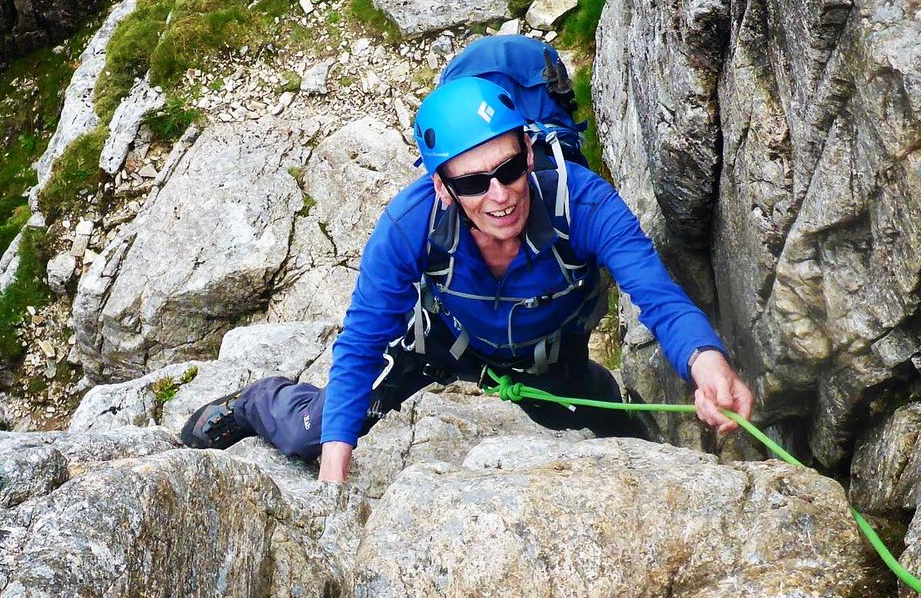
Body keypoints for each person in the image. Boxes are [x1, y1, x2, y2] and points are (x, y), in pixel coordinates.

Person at [181, 75, 754, 482]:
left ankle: (599, 392)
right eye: (474, 183)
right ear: (442, 187)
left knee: (632, 453)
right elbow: (361, 344)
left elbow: (656, 294)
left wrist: (707, 363)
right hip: (437, 350)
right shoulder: (411, 226)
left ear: (528, 152)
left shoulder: (582, 203)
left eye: (507, 170)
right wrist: (334, 478)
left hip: (549, 362)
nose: (498, 196)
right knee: (315, 434)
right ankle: (256, 401)